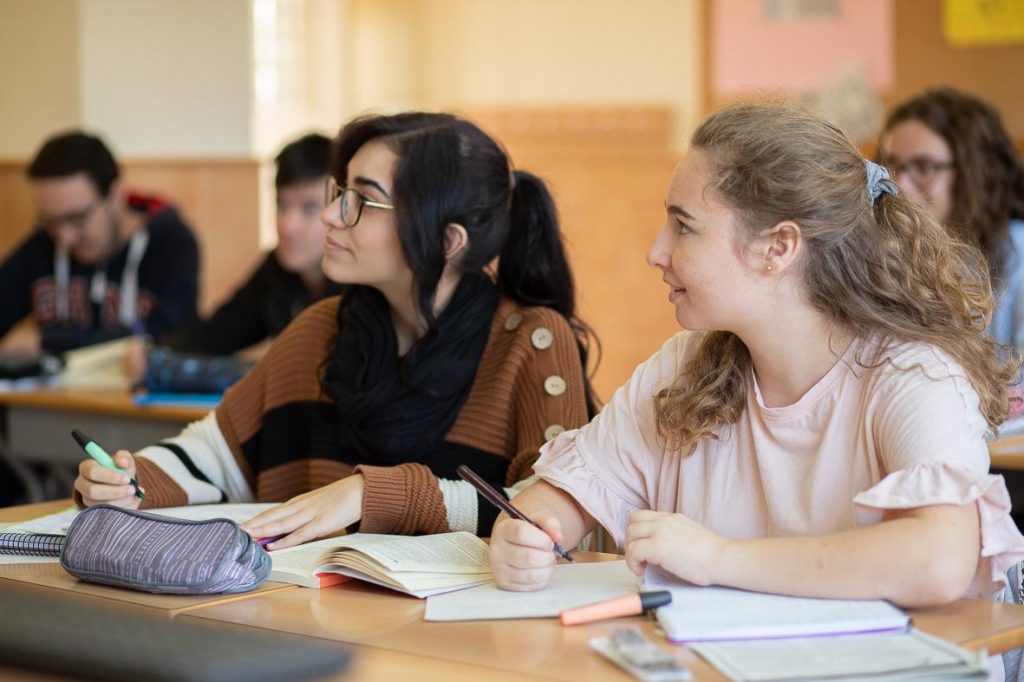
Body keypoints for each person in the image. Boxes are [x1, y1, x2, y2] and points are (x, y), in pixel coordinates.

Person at [489, 104, 1024, 610]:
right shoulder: (683, 365)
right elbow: (571, 493)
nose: (656, 251)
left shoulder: (913, 374)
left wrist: (717, 558)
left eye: (684, 227)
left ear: (778, 248)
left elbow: (937, 560)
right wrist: (532, 529)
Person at [72, 112, 597, 549]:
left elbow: (545, 513)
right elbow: (217, 454)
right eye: (340, 190)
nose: (328, 215)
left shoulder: (533, 342)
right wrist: (131, 480)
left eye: (362, 200)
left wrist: (370, 495)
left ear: (446, 240)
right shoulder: (321, 328)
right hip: (308, 629)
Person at [125, 133, 345, 391]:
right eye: (281, 205)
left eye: (309, 209)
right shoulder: (276, 268)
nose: (288, 225)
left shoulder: (357, 283)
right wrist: (156, 350)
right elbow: (219, 332)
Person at [0, 131, 200, 353]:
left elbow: (174, 340)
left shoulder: (171, 244)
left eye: (76, 218)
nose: (65, 237)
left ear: (115, 194)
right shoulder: (43, 243)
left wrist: (49, 341)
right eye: (49, 221)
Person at [879, 88, 1024, 348]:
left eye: (924, 167)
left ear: (975, 173)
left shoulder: (1018, 254)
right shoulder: (887, 255)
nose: (898, 185)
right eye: (891, 166)